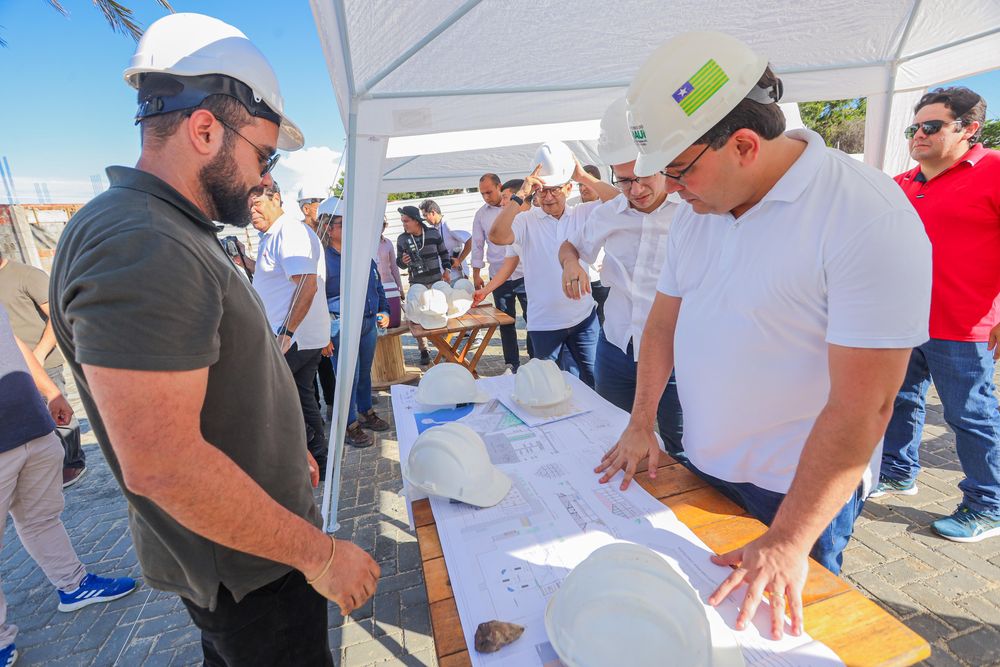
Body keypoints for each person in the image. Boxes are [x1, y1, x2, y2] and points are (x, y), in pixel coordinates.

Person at [48, 14, 379, 665]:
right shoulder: (141, 241)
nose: (263, 177)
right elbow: (164, 462)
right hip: (257, 571)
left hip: (252, 554)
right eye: (263, 154)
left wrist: (283, 453)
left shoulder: (160, 227)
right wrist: (323, 555)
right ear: (205, 129)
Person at [598, 32, 930, 639]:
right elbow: (663, 323)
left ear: (744, 145)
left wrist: (788, 540)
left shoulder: (864, 216)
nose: (671, 189)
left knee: (777, 639)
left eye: (678, 171)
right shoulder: (702, 213)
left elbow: (867, 404)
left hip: (795, 498)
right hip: (704, 462)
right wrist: (642, 421)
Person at [876, 87, 1000, 543]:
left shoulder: (995, 171)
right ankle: (899, 473)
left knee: (971, 416)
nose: (918, 135)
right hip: (903, 323)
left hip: (964, 327)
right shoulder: (902, 183)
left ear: (969, 129)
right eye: (915, 127)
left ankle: (988, 503)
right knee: (902, 402)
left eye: (932, 126)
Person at [0, 305, 136, 666]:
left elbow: (10, 342)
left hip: (31, 426)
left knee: (42, 518)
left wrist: (49, 391)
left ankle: (74, 586)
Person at [559, 97, 683, 458]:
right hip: (616, 346)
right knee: (611, 432)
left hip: (678, 355)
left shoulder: (693, 214)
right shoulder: (608, 213)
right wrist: (571, 264)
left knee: (684, 448)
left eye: (643, 178)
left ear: (663, 166)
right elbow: (570, 246)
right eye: (624, 181)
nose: (636, 190)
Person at [487, 143, 618, 387]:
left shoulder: (583, 213)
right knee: (549, 388)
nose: (547, 197)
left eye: (554, 190)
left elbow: (622, 202)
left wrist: (583, 176)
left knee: (596, 384)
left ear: (569, 189)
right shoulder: (526, 221)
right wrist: (520, 195)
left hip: (584, 321)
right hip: (544, 324)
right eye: (542, 191)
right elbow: (496, 235)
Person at [248, 179, 331, 477]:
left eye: (256, 205)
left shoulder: (290, 231)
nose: (252, 213)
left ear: (276, 199)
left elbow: (306, 285)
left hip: (294, 338)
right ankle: (317, 459)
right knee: (300, 397)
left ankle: (303, 461)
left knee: (275, 400)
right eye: (249, 208)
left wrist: (286, 333)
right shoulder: (274, 234)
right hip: (299, 336)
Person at [0, 253, 86, 487]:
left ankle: (73, 463)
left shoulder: (26, 275)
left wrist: (39, 353)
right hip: (12, 369)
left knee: (59, 413)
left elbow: (58, 317)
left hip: (42, 362)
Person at [321, 197, 391, 448]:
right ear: (328, 227)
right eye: (342, 224)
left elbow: (377, 283)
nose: (348, 228)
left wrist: (384, 309)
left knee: (364, 374)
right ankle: (349, 424)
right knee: (346, 377)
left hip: (368, 323)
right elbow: (317, 298)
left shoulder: (360, 254)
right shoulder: (322, 259)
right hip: (340, 326)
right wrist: (323, 335)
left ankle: (365, 411)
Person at [471, 174, 530, 370]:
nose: (486, 196)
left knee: (532, 318)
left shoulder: (524, 212)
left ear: (499, 187)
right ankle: (511, 363)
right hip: (499, 274)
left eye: (489, 192)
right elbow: (477, 244)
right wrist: (477, 274)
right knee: (505, 322)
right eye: (482, 194)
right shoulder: (481, 215)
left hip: (524, 274)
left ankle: (535, 358)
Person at [397, 205, 450, 365]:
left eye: (406, 221)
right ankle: (424, 350)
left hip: (436, 282)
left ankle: (445, 349)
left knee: (440, 314)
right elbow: (399, 262)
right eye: (402, 221)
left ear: (416, 221)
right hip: (417, 283)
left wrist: (447, 269)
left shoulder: (433, 234)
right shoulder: (402, 239)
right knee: (417, 318)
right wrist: (403, 262)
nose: (404, 224)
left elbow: (444, 253)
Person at [420, 199, 471, 281]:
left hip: (457, 276)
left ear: (433, 212)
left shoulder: (448, 224)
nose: (425, 219)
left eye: (425, 215)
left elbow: (470, 240)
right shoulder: (433, 229)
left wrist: (459, 260)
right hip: (444, 277)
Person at [376, 215, 405, 328]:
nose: (381, 228)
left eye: (383, 225)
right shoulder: (366, 244)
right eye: (379, 225)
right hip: (375, 289)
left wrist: (400, 289)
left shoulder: (387, 243)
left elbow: (394, 267)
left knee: (393, 322)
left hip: (390, 287)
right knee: (380, 323)